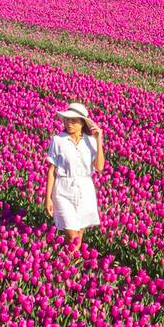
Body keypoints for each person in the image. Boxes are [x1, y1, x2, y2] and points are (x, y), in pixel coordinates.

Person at [44, 102, 105, 253]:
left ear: (82, 123)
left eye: (74, 120)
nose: (69, 123)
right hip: (63, 190)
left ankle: (69, 267)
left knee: (77, 237)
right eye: (66, 119)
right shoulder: (58, 140)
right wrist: (48, 198)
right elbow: (52, 170)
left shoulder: (91, 141)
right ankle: (66, 268)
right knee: (72, 236)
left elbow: (99, 167)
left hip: (85, 190)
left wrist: (99, 140)